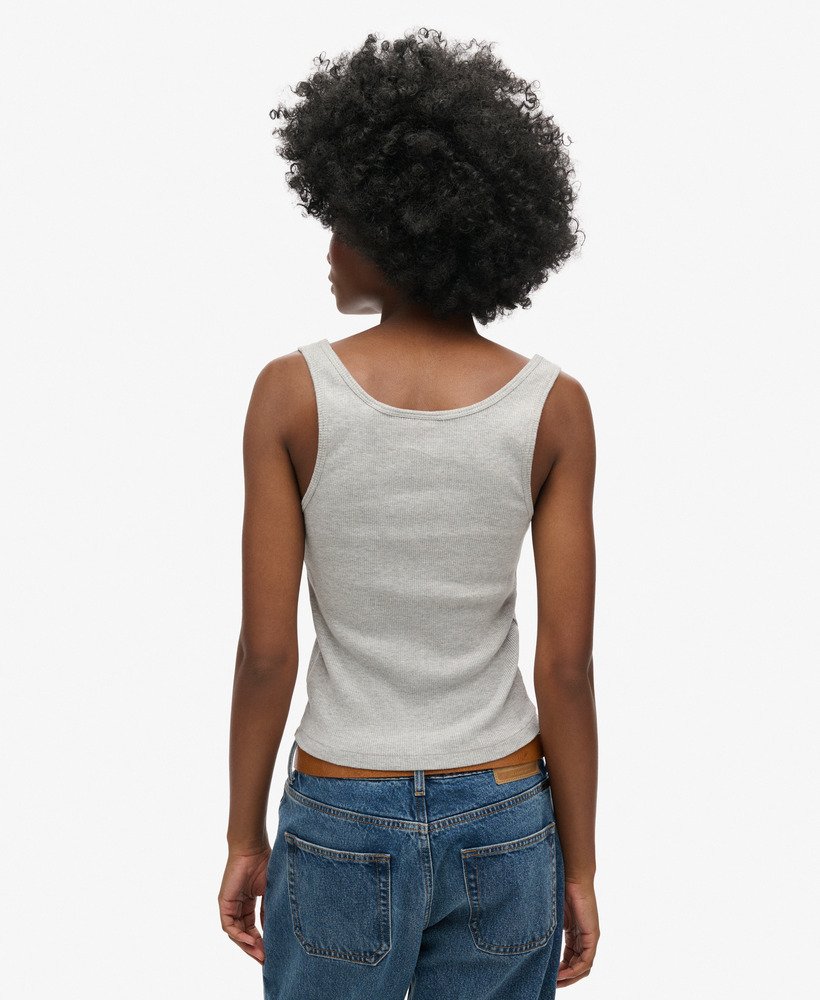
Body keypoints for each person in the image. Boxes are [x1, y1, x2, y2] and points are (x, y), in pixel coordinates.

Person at [218, 27, 599, 999]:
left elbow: (267, 653)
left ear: (400, 229)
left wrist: (242, 833)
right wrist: (582, 864)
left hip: (341, 813)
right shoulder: (552, 407)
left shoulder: (290, 395)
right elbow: (564, 666)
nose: (330, 248)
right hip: (506, 814)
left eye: (343, 222)